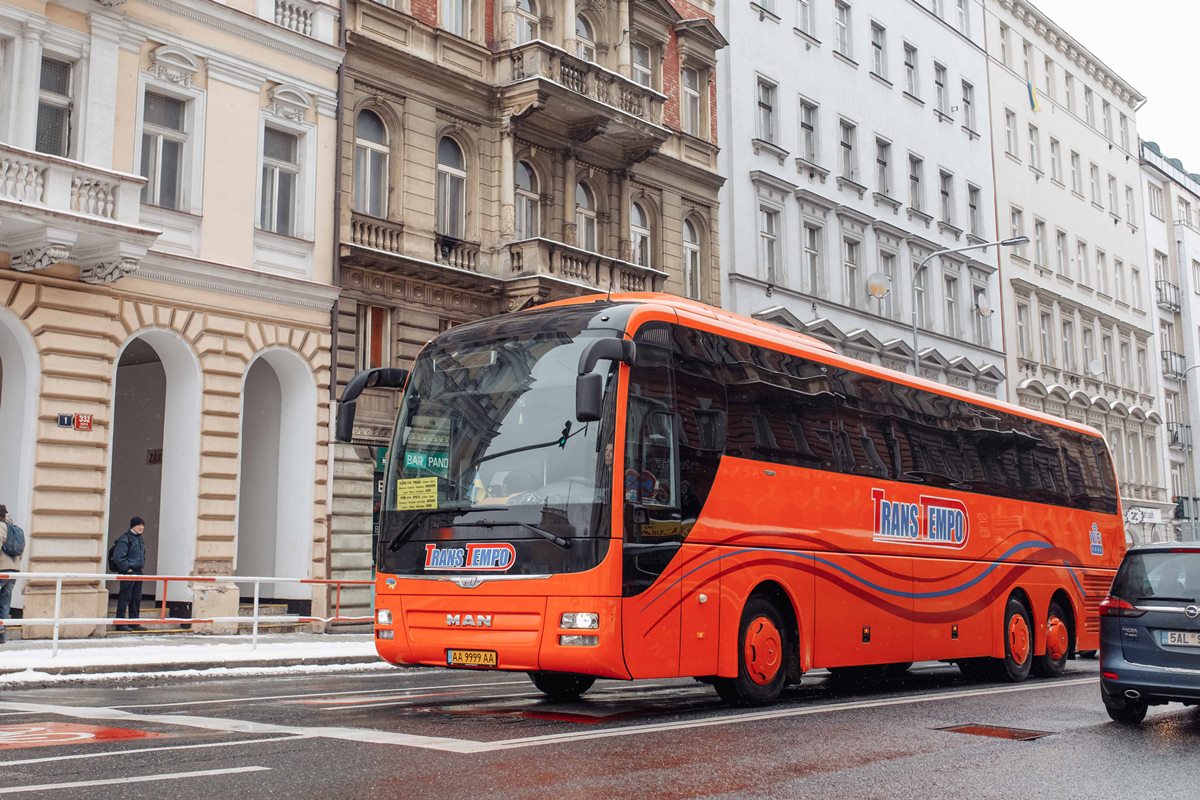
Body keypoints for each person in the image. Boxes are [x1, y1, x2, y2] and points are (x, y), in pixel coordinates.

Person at [111, 516, 147, 631]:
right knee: (125, 597)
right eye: (139, 525)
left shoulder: (139, 539)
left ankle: (134, 622)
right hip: (129, 573)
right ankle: (120, 623)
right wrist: (127, 568)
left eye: (143, 525)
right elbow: (118, 557)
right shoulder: (125, 538)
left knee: (136, 598)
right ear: (133, 526)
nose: (141, 527)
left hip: (138, 572)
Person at [0, 505, 17, 645]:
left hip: (2, 569)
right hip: (14, 570)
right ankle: (1, 636)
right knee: (5, 603)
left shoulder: (1, 527)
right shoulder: (13, 528)